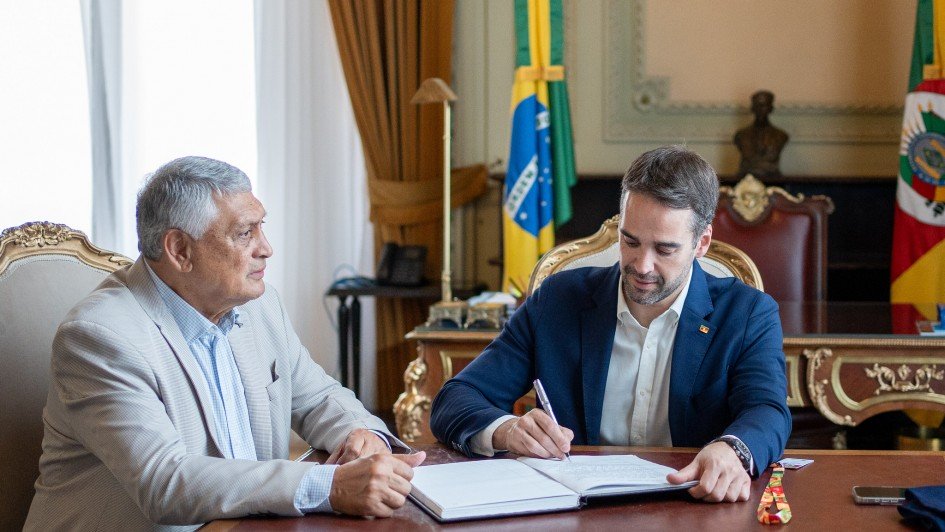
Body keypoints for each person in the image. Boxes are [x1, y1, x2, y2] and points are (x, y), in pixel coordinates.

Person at [25, 156, 425, 531]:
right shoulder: (100, 336)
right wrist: (329, 485)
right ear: (180, 250)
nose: (266, 248)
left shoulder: (260, 305)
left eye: (261, 227)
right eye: (245, 233)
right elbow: (166, 482)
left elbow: (318, 397)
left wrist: (360, 435)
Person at [430, 145, 790, 503]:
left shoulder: (748, 314)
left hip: (691, 504)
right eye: (630, 241)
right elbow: (456, 399)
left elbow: (767, 411)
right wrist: (507, 430)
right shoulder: (558, 300)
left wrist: (732, 449)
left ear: (701, 243)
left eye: (664, 249)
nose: (642, 266)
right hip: (576, 510)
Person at [733, 90, 789, 178]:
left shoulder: (781, 136)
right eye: (757, 106)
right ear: (752, 108)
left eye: (764, 106)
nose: (760, 110)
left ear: (770, 108)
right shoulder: (740, 136)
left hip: (773, 179)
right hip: (746, 178)